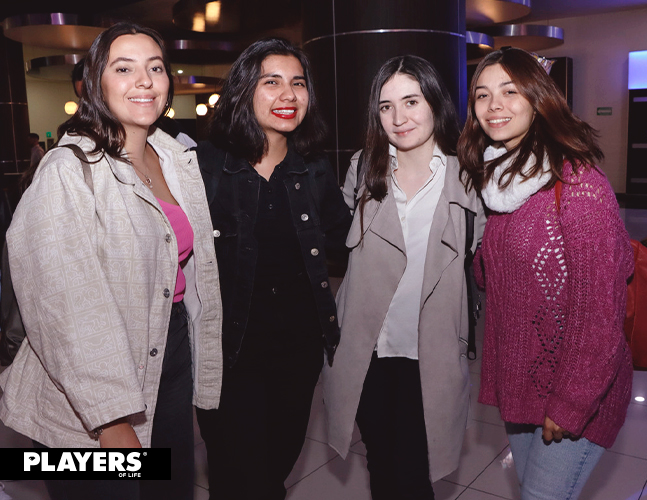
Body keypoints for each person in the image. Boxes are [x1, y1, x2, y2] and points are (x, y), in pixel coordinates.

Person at [0, 22, 222, 500]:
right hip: (89, 384)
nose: (144, 80)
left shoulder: (173, 158)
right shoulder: (69, 169)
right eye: (124, 68)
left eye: (155, 68)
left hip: (168, 349)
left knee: (167, 487)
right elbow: (62, 305)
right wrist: (110, 418)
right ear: (96, 83)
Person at [457, 47, 634, 500]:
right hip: (520, 383)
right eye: (482, 94)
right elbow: (492, 279)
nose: (493, 105)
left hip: (577, 393)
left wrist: (571, 401)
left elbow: (600, 310)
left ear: (539, 99)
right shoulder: (496, 184)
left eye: (510, 91)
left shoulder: (578, 184)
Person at [195, 38, 352, 500]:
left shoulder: (315, 169)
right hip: (230, 352)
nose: (288, 95)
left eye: (298, 83)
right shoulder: (205, 167)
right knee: (237, 471)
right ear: (244, 91)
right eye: (272, 82)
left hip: (298, 349)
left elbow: (344, 241)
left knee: (278, 462)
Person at [323, 55, 485, 500]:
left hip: (429, 351)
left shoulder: (467, 175)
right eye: (386, 106)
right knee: (380, 461)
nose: (399, 118)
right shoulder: (364, 167)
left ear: (435, 103)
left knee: (415, 472)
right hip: (368, 349)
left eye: (411, 101)